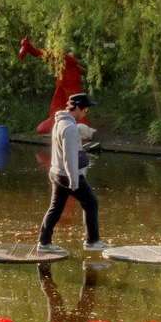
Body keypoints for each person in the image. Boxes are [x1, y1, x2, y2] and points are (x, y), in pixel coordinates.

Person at [38, 93, 106, 254]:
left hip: (56, 172)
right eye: (85, 109)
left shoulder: (60, 122)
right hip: (67, 175)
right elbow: (69, 157)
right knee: (91, 203)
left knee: (55, 208)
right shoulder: (69, 128)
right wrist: (74, 181)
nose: (85, 113)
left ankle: (44, 243)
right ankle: (92, 241)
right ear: (77, 108)